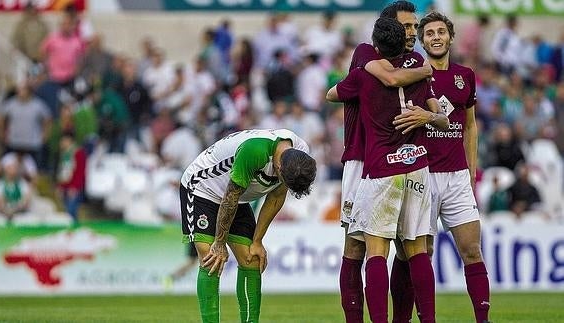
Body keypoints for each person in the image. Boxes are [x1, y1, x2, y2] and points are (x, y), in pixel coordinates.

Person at [327, 17, 449, 323]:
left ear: (376, 45)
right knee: (417, 249)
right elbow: (443, 118)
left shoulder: (365, 74)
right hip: (418, 166)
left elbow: (331, 94)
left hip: (381, 169)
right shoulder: (419, 71)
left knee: (376, 251)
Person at [390, 11, 492, 323]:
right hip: (421, 174)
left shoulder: (466, 76)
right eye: (429, 33)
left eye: (440, 32)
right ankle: (403, 318)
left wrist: (471, 173)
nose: (436, 37)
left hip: (457, 176)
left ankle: (483, 319)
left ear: (450, 37)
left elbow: (470, 127)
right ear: (421, 41)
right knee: (415, 256)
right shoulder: (412, 76)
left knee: (472, 251)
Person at [179, 128, 316, 323]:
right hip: (203, 189)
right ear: (278, 166)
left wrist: (258, 241)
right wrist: (220, 243)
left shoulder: (299, 156)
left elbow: (276, 196)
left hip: (239, 197)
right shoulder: (255, 151)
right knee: (211, 258)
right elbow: (229, 197)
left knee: (252, 258)